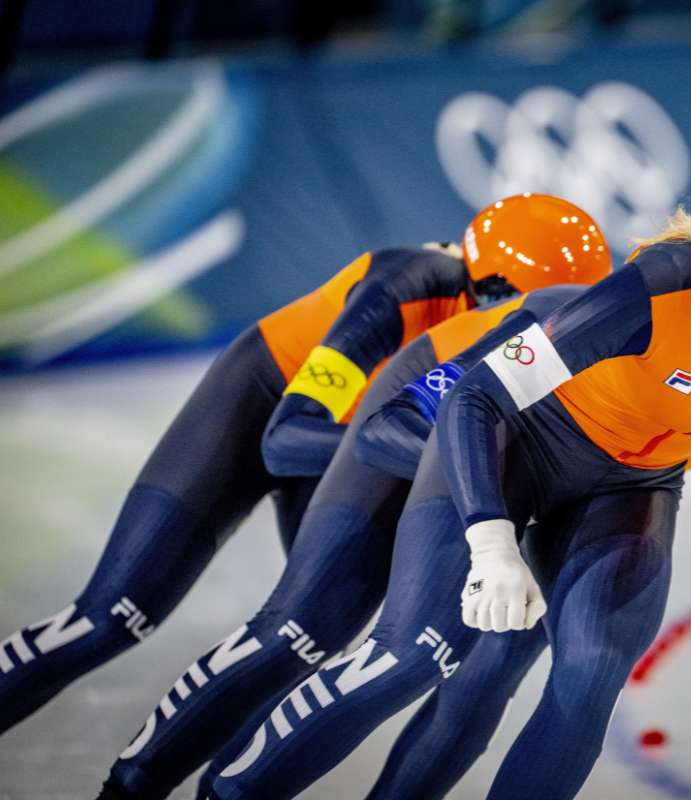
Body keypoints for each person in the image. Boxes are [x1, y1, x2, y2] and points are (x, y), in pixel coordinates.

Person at [201, 167, 691, 800]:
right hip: (524, 443)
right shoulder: (662, 292)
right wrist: (491, 544)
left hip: (632, 482)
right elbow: (476, 399)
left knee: (590, 672)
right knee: (414, 653)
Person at [0, 193, 608, 737]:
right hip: (260, 409)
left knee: (304, 637)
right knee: (114, 617)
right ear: (489, 284)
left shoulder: (496, 313)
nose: (526, 330)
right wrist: (453, 456)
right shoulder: (410, 281)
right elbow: (284, 439)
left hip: (344, 435)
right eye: (519, 308)